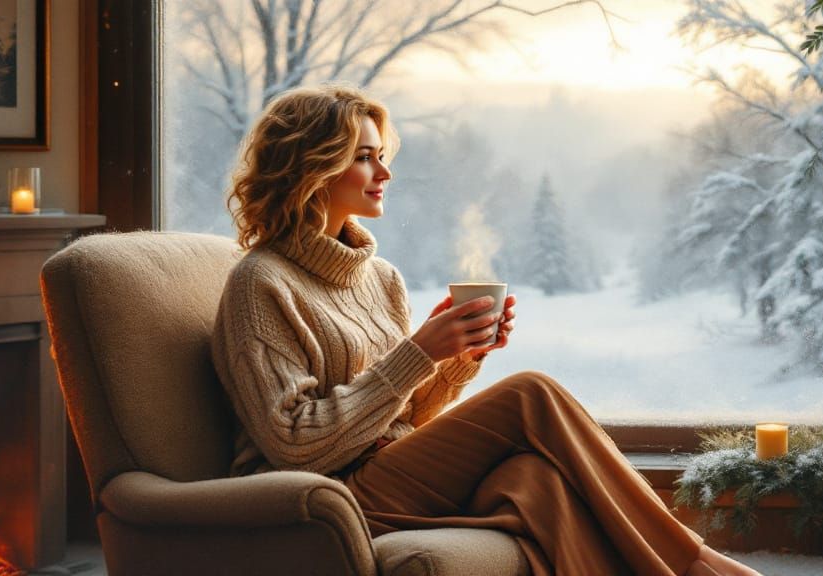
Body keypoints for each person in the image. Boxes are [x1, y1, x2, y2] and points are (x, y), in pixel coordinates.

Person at [211, 84, 761, 576]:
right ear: (313, 167)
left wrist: (454, 358)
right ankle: (700, 563)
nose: (385, 173)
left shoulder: (381, 280)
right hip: (330, 495)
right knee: (531, 393)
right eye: (364, 158)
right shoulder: (261, 284)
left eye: (382, 156)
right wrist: (417, 353)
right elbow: (295, 445)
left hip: (392, 469)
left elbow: (411, 418)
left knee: (535, 481)